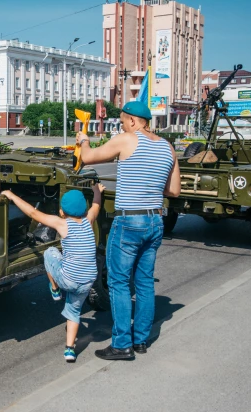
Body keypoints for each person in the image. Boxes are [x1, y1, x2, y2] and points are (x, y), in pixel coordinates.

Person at [76, 101, 180, 361]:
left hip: (129, 223)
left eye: (122, 122)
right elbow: (174, 190)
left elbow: (88, 158)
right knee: (144, 282)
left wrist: (84, 140)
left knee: (119, 283)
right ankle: (141, 340)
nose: (121, 126)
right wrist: (150, 184)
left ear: (133, 121)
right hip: (155, 222)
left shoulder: (127, 139)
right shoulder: (167, 147)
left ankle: (122, 344)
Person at [1, 184, 105, 363]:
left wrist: (11, 196)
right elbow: (96, 205)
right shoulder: (89, 220)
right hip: (88, 280)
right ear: (84, 209)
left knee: (50, 253)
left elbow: (34, 214)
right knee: (74, 311)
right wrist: (97, 191)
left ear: (62, 212)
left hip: (68, 279)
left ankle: (55, 289)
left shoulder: (62, 224)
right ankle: (70, 350)